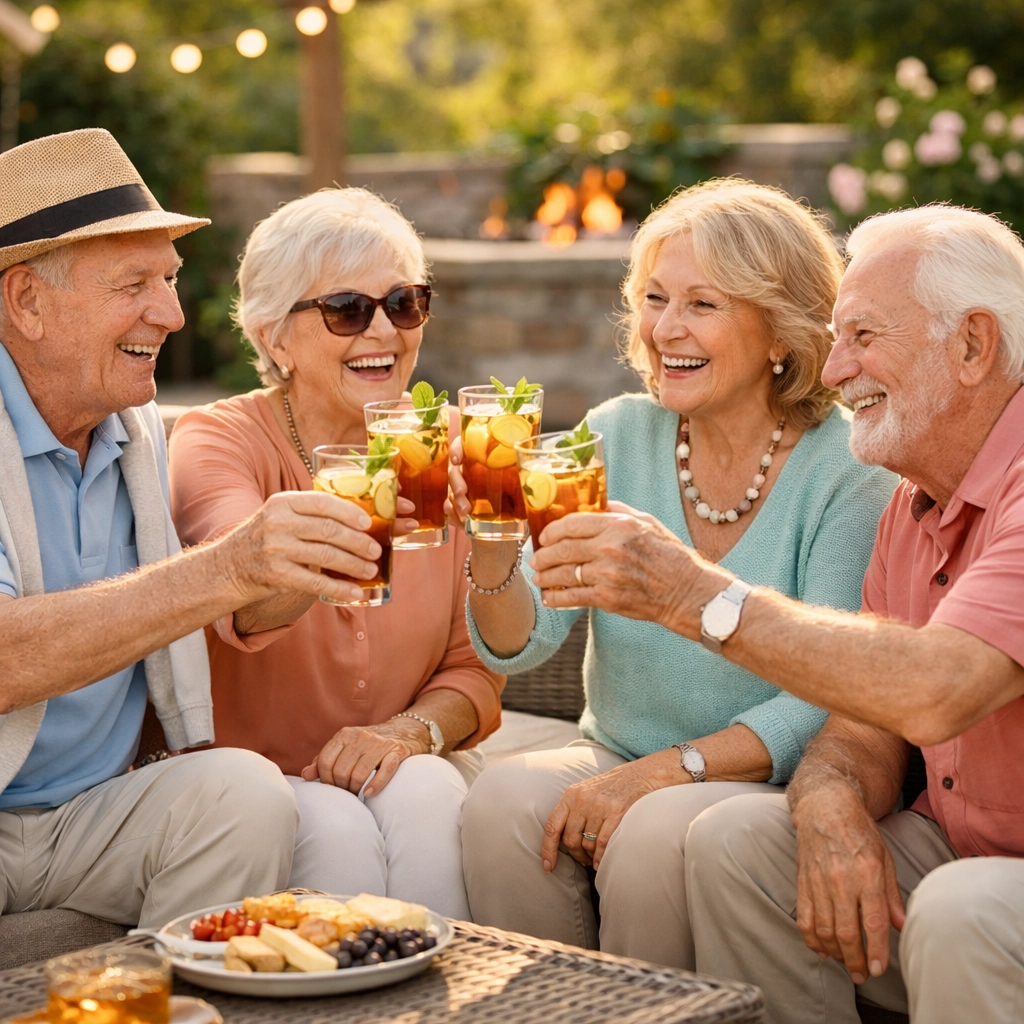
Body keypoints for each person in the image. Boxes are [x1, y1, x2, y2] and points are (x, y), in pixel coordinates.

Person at [538, 204, 1024, 1023]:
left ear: (973, 345)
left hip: (988, 878)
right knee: (737, 844)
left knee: (960, 909)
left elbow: (939, 688)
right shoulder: (915, 503)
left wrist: (696, 598)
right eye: (836, 339)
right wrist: (830, 799)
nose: (835, 371)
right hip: (954, 842)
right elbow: (866, 726)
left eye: (863, 338)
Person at [454, 179, 896, 964]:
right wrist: (491, 536)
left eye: (702, 304)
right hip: (618, 747)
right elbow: (520, 644)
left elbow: (832, 692)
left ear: (781, 332)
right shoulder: (617, 433)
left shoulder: (849, 467)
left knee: (653, 832)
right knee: (498, 800)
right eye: (654, 298)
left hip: (754, 774)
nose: (664, 329)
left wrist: (672, 769)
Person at [0, 130, 390, 928]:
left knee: (244, 793)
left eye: (171, 280)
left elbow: (245, 610)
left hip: (92, 810)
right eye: (134, 283)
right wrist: (230, 567)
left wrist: (301, 561)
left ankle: (171, 1003)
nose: (172, 314)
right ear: (26, 302)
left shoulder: (135, 431)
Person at [169, 187, 503, 920]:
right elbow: (244, 600)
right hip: (252, 778)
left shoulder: (453, 444)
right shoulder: (215, 441)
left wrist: (409, 731)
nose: (382, 330)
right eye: (347, 309)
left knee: (430, 790)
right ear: (274, 335)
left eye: (405, 302)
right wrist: (358, 520)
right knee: (336, 828)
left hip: (397, 754)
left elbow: (477, 666)